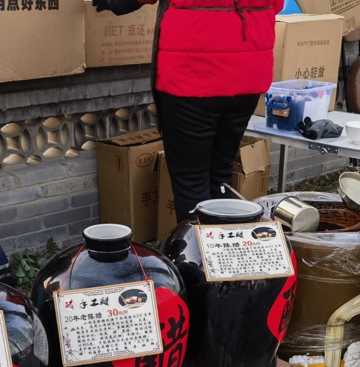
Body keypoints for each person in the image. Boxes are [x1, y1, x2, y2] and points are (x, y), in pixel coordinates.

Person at [95, 0, 283, 223]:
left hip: (191, 75)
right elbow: (276, 6)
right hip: (248, 76)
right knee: (221, 172)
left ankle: (196, 244)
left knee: (191, 181)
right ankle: (221, 240)